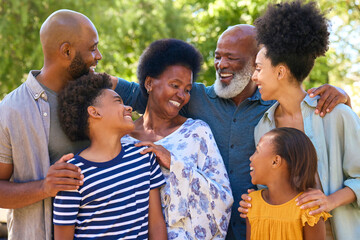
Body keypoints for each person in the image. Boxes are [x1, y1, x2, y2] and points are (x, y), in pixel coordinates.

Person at [113, 25, 350, 239]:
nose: (221, 64)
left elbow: (301, 106)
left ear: (254, 62)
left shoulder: (273, 109)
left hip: (260, 226)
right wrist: (86, 73)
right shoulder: (195, 96)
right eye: (217, 57)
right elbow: (144, 93)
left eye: (231, 58)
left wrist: (343, 98)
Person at [241, 1, 360, 239]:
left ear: (281, 72)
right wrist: (256, 203)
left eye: (258, 68)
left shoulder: (337, 114)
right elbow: (269, 190)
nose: (254, 77)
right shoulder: (263, 127)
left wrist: (328, 200)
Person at [0, 10, 102, 239]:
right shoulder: (10, 110)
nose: (99, 56)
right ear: (67, 51)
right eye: (93, 48)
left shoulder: (101, 97)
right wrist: (44, 187)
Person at [120, 39, 233, 239]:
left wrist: (174, 164)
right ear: (149, 83)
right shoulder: (122, 138)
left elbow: (223, 200)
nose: (181, 95)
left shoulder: (197, 133)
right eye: (175, 85)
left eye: (187, 89)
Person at [53, 73, 166, 239]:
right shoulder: (72, 174)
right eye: (118, 102)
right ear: (95, 112)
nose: (128, 107)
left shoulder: (144, 156)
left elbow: (156, 224)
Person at [246, 127, 331, 240]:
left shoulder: (309, 210)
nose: (251, 158)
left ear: (275, 161)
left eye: (257, 151)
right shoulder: (251, 204)